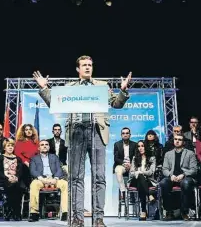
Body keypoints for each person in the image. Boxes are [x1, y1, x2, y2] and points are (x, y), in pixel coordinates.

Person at [33, 55, 132, 227]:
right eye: (84, 65)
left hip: (97, 132)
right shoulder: (69, 87)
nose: (87, 67)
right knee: (75, 178)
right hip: (76, 133)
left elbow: (116, 103)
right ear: (78, 69)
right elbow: (55, 103)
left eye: (90, 65)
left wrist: (123, 91)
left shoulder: (102, 86)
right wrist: (44, 89)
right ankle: (77, 219)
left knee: (99, 177)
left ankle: (98, 219)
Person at [27, 140, 68, 222]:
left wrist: (55, 178)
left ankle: (65, 212)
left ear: (49, 147)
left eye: (46, 144)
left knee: (65, 184)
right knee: (34, 185)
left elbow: (59, 169)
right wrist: (42, 179)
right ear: (39, 148)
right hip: (41, 179)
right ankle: (34, 213)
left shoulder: (54, 157)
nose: (44, 146)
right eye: (42, 145)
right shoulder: (34, 158)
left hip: (53, 178)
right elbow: (32, 171)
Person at [0, 139, 24, 221]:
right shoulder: (0, 158)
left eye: (12, 146)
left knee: (18, 186)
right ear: (4, 148)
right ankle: (15, 212)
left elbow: (20, 171)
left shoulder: (18, 159)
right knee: (11, 185)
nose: (10, 147)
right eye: (8, 146)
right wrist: (8, 178)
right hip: (4, 179)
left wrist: (16, 177)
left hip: (16, 179)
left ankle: (11, 211)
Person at [129, 140, 156, 221]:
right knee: (140, 177)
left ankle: (143, 211)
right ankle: (149, 195)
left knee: (141, 183)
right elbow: (132, 173)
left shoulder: (152, 158)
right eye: (139, 146)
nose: (140, 148)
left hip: (147, 181)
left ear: (146, 147)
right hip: (134, 181)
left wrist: (141, 172)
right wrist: (139, 173)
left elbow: (151, 172)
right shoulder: (134, 158)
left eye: (142, 146)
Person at [113, 127, 137, 202]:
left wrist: (131, 164)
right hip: (121, 165)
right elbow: (116, 158)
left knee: (134, 172)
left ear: (130, 135)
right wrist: (124, 164)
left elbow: (136, 157)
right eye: (123, 133)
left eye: (127, 133)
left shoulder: (135, 144)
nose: (125, 135)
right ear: (121, 135)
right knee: (118, 170)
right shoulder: (117, 144)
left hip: (132, 165)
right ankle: (123, 192)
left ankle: (132, 193)